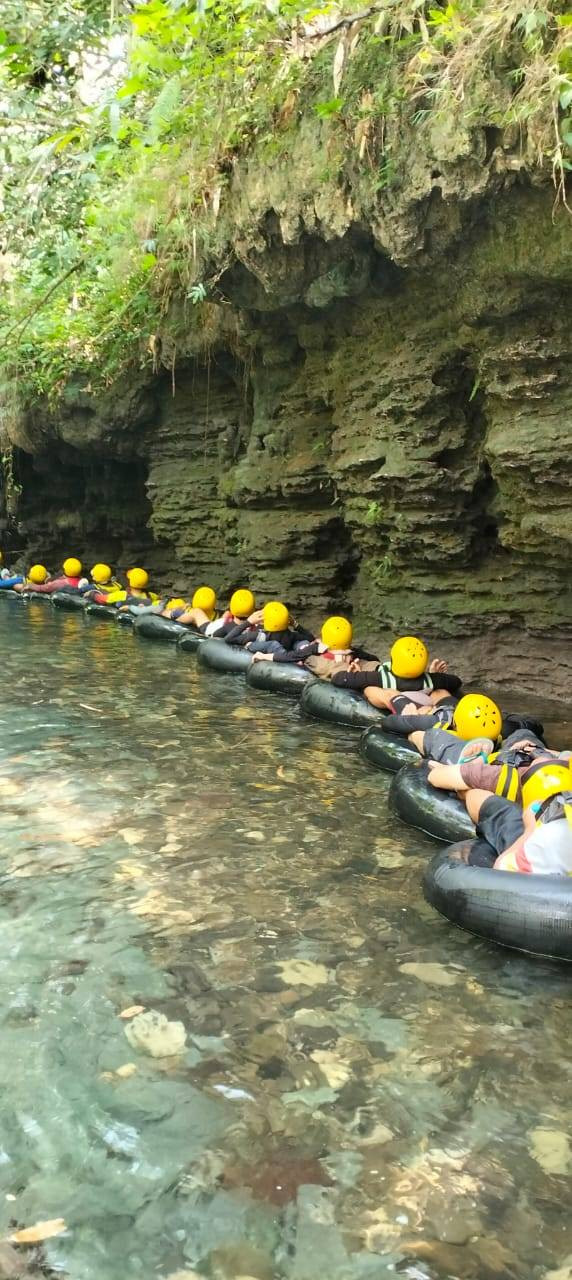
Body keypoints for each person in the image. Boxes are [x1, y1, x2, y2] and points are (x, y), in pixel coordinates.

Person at [461, 763, 572, 873]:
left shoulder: (555, 836)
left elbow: (503, 870)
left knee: (505, 811)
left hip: (533, 863)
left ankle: (462, 792)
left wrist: (530, 829)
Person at [427, 729, 571, 804]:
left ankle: (482, 754)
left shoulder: (503, 778)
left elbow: (435, 776)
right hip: (530, 748)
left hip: (503, 761)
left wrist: (474, 764)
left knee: (432, 736)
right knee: (524, 733)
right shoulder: (563, 770)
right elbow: (566, 755)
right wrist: (546, 753)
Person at [331, 635, 462, 709]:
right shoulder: (432, 680)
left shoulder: (380, 678)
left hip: (396, 701)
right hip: (424, 692)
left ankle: (402, 708)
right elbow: (456, 681)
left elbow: (339, 678)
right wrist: (434, 675)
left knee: (369, 688)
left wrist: (355, 674)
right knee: (440, 692)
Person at [380, 691, 503, 765]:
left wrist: (409, 717)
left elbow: (388, 722)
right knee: (439, 692)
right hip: (449, 708)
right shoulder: (496, 736)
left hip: (445, 712)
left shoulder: (436, 725)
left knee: (391, 694)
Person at [251, 616, 379, 679]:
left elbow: (290, 656)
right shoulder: (354, 652)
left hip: (332, 669)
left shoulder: (314, 652)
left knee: (305, 657)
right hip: (350, 665)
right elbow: (373, 658)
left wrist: (263, 656)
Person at [223, 601, 314, 652]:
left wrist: (248, 622)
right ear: (287, 620)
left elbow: (228, 638)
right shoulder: (292, 636)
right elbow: (310, 637)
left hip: (270, 658)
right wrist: (295, 624)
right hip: (288, 659)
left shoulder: (258, 636)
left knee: (250, 645)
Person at [13, 556, 83, 595]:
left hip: (45, 590)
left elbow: (42, 588)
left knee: (17, 586)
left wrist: (30, 585)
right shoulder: (81, 580)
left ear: (65, 569)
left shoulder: (60, 583)